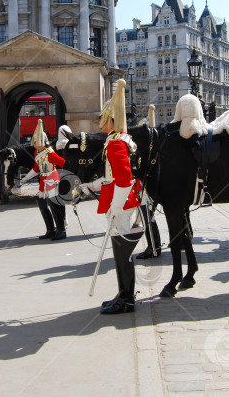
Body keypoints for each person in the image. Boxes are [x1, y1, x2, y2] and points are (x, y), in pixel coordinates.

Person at [83, 79, 143, 314]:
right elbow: (112, 177)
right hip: (121, 201)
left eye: (102, 118)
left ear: (110, 120)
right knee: (120, 252)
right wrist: (93, 185)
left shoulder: (116, 143)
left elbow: (124, 179)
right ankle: (123, 293)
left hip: (122, 204)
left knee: (122, 252)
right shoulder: (117, 140)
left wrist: (116, 207)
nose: (100, 122)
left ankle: (127, 299)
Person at [20, 120, 68, 240]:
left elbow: (63, 163)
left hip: (52, 179)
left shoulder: (50, 153)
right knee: (41, 204)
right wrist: (25, 178)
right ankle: (50, 230)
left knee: (54, 205)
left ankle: (61, 230)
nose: (34, 143)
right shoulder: (38, 153)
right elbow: (36, 168)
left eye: (36, 141)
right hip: (43, 181)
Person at [136, 105, 161, 260]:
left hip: (146, 187)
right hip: (146, 185)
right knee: (148, 217)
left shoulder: (149, 148)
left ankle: (154, 247)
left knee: (148, 217)